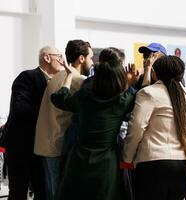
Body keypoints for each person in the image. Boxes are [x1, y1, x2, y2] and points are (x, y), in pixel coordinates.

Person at [50, 50, 140, 200]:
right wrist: (130, 82)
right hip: (106, 162)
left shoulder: (84, 96)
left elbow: (59, 99)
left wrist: (69, 76)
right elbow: (133, 99)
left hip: (79, 159)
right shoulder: (122, 101)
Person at [123, 56, 186, 200]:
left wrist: (127, 157)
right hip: (182, 165)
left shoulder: (148, 93)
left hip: (151, 163)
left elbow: (137, 128)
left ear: (154, 73)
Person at [1, 46, 63, 200]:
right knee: (18, 191)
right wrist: (48, 113)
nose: (62, 61)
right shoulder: (27, 77)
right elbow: (19, 107)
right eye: (59, 56)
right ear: (47, 58)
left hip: (40, 146)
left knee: (42, 190)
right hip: (20, 146)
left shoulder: (56, 82)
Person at [34, 40, 93, 200]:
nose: (92, 62)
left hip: (45, 143)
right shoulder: (78, 80)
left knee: (51, 190)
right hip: (59, 144)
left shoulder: (57, 76)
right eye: (91, 58)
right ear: (81, 58)